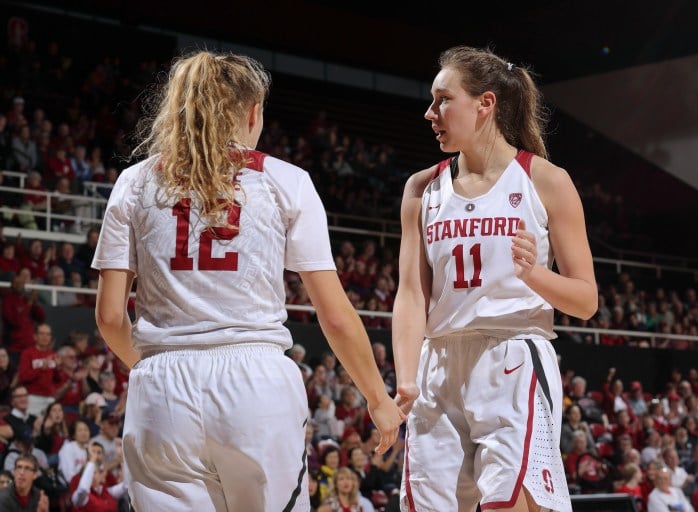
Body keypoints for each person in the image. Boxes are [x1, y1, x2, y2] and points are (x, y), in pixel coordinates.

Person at [92, 50, 404, 511]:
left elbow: (110, 315)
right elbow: (335, 316)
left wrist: (153, 369)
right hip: (254, 382)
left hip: (160, 383)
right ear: (253, 111)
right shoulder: (286, 180)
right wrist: (378, 400)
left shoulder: (134, 182)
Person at [392, 45, 597, 511]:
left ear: (485, 103)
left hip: (513, 356)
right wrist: (405, 378)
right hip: (438, 362)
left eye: (443, 99)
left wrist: (535, 274)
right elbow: (410, 293)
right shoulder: (421, 188)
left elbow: (586, 301)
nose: (431, 113)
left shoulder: (545, 180)